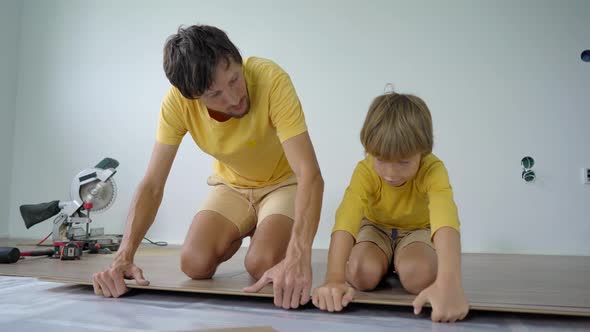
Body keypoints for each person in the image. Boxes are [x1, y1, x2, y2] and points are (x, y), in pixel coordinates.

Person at [92, 25, 324, 310]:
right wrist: (123, 257)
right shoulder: (177, 105)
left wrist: (299, 257)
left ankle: (266, 232)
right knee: (194, 264)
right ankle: (250, 227)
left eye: (234, 80)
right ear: (193, 96)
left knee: (260, 263)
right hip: (231, 187)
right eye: (215, 94)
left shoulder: (271, 78)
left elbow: (310, 174)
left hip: (282, 185)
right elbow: (152, 184)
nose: (233, 97)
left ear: (239, 62)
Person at [312, 91, 469, 322]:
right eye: (381, 160)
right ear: (369, 151)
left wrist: (450, 283)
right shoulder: (364, 171)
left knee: (420, 276)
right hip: (376, 227)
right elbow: (347, 218)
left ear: (423, 152)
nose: (391, 173)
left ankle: (396, 262)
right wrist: (334, 278)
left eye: (404, 162)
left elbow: (445, 219)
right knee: (360, 273)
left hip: (416, 230)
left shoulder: (433, 169)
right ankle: (383, 262)